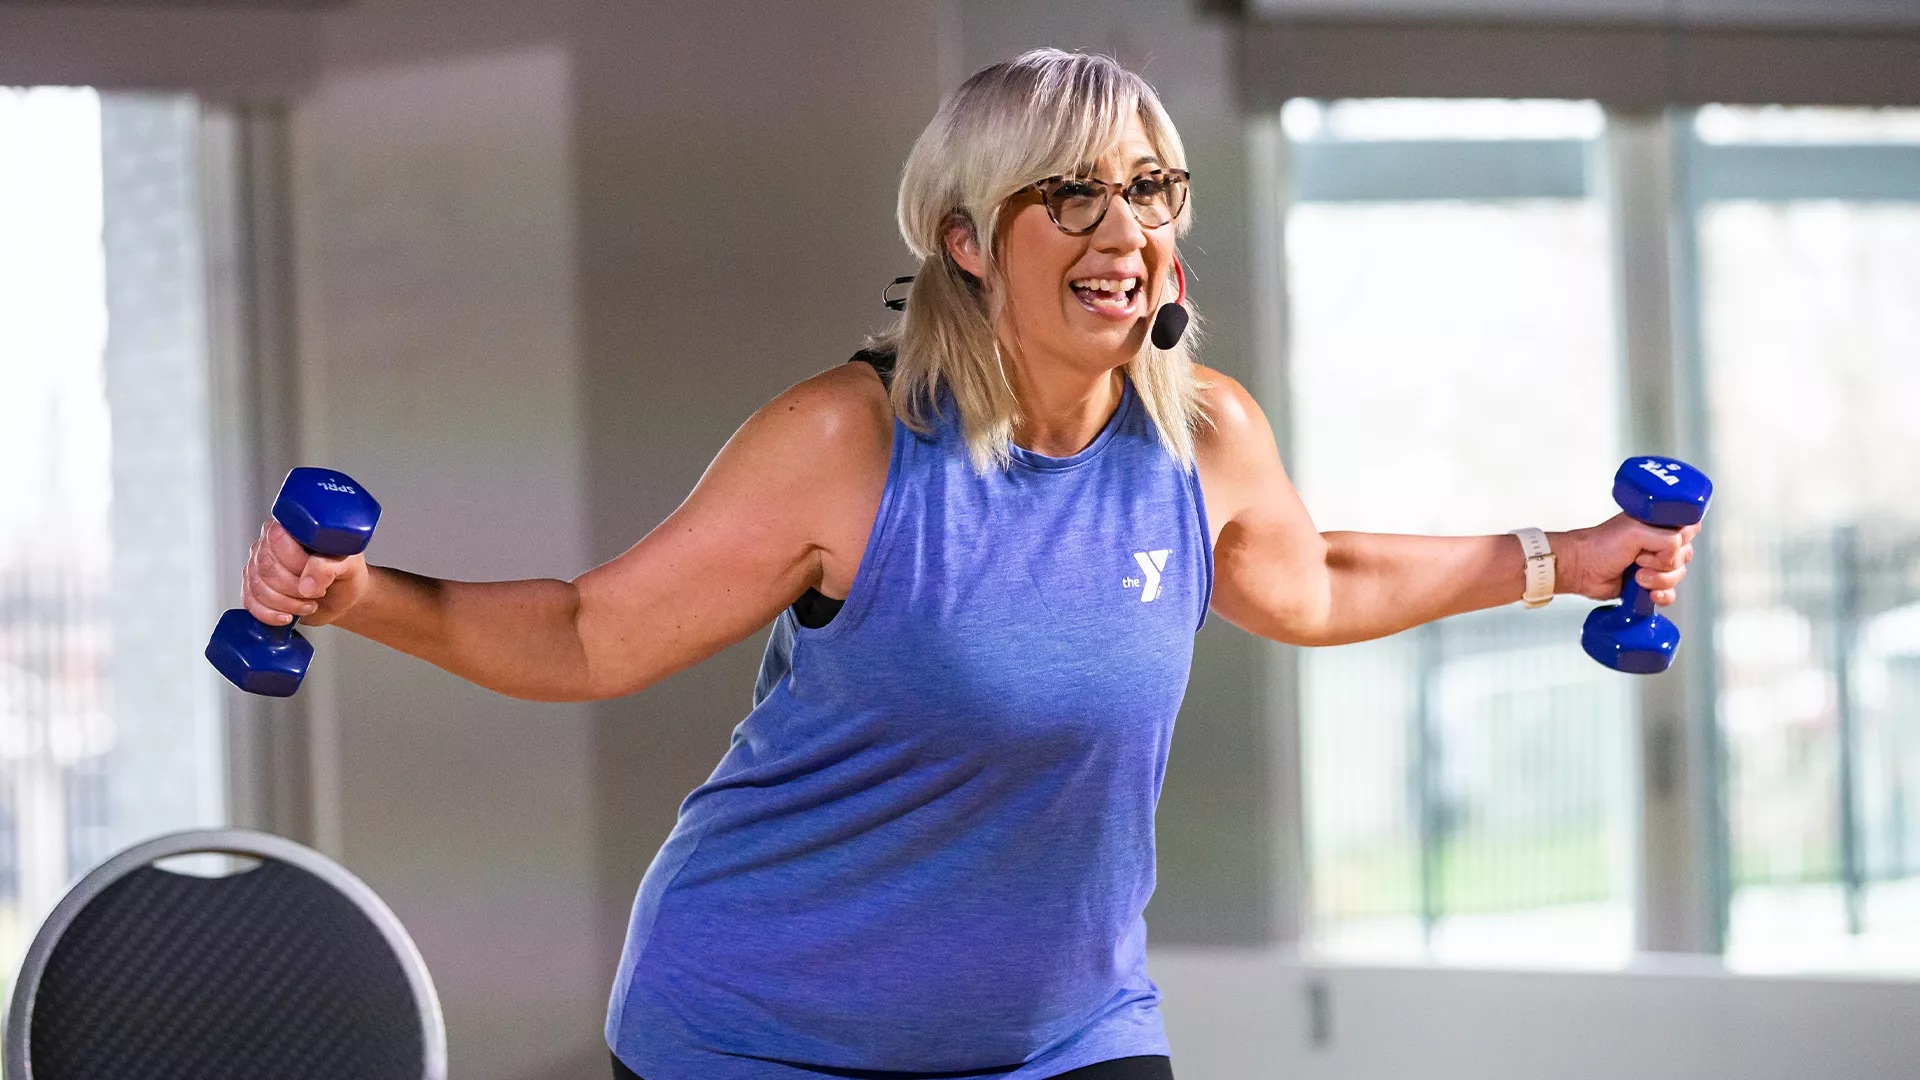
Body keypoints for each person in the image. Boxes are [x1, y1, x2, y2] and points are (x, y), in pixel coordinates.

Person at [237, 49, 1698, 1080]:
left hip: (1067, 1036)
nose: (1123, 230)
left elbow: (1309, 577)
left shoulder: (1200, 435)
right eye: (1070, 195)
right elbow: (584, 636)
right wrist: (355, 595)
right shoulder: (848, 443)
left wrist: (1563, 558)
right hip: (763, 1037)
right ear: (963, 239)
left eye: (1151, 189)